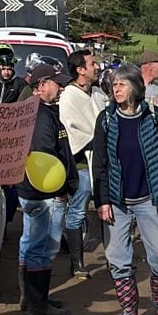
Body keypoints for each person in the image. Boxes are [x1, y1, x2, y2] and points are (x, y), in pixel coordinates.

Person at [91, 63, 158, 315]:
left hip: (150, 198)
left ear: (135, 87)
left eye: (122, 84)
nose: (116, 89)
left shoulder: (154, 117)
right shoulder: (106, 119)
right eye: (114, 85)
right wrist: (103, 200)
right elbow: (100, 163)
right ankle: (129, 312)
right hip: (117, 201)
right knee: (118, 258)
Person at [17, 64, 78, 315]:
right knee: (42, 247)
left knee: (31, 244)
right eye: (57, 83)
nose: (61, 88)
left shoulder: (38, 111)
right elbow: (44, 156)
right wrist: (59, 189)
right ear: (41, 86)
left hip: (34, 190)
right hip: (44, 192)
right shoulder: (41, 116)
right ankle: (37, 304)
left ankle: (32, 298)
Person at [57, 49, 105, 279]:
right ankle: (77, 263)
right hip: (81, 161)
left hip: (103, 159)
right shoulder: (68, 95)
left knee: (109, 206)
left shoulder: (97, 93)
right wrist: (94, 141)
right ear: (80, 69)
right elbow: (71, 130)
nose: (97, 67)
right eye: (92, 63)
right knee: (78, 211)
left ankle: (115, 257)